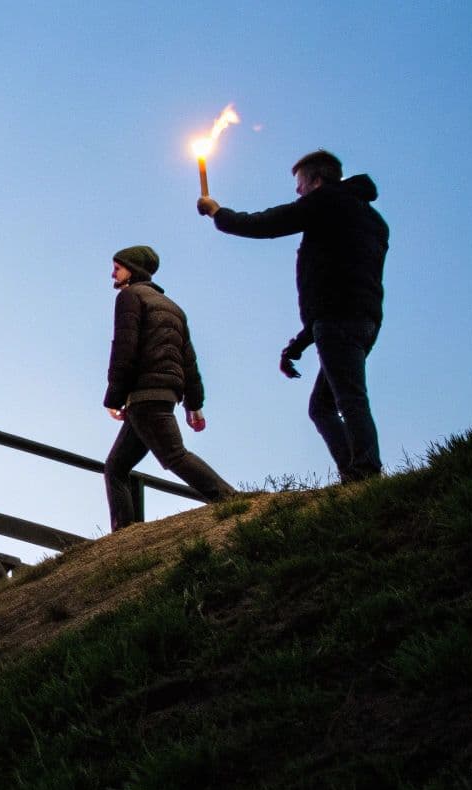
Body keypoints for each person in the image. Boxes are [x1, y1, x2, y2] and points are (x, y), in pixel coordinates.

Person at [197, 149, 390, 482]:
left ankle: (365, 473)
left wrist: (218, 213)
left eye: (300, 184)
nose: (298, 192)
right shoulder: (372, 221)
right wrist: (300, 343)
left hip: (337, 321)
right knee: (324, 406)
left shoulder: (326, 201)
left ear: (316, 180)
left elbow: (267, 223)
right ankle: (356, 473)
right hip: (364, 320)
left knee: (349, 397)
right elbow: (341, 282)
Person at [102, 245, 237, 530]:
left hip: (144, 395)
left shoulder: (129, 297)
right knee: (116, 467)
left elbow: (124, 349)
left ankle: (230, 498)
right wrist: (194, 405)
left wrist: (114, 397)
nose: (113, 272)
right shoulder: (174, 308)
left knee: (174, 455)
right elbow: (189, 360)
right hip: (164, 394)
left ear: (133, 270)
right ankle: (124, 534)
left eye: (118, 266)